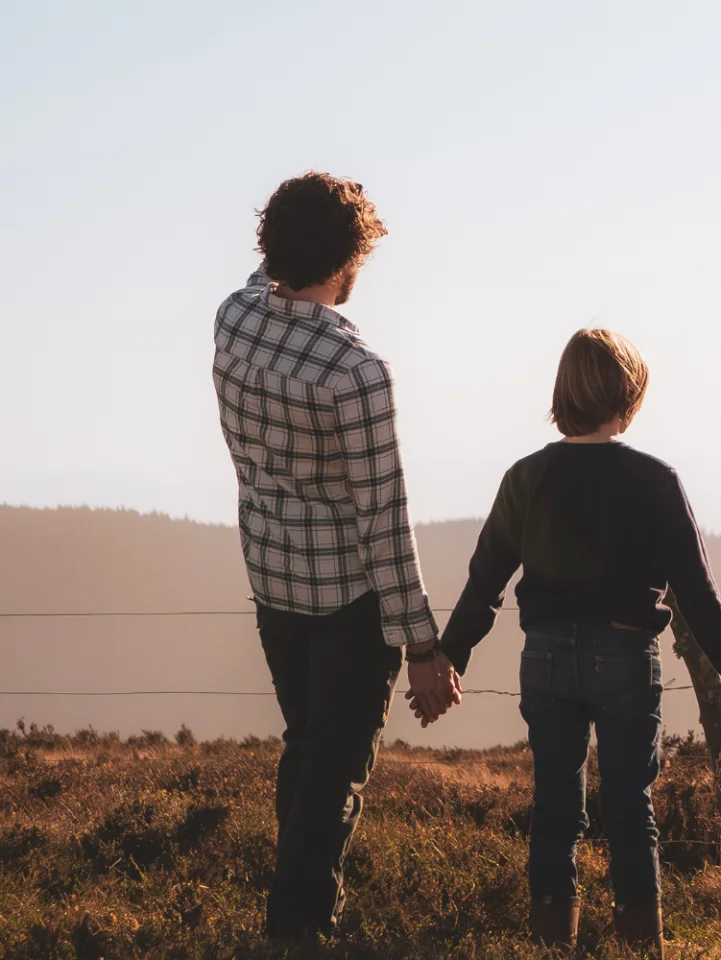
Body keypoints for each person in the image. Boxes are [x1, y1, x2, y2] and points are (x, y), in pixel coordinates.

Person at [434, 329, 721, 953]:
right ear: (629, 393)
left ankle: (551, 944)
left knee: (555, 807)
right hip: (623, 655)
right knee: (628, 808)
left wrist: (449, 658)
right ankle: (642, 947)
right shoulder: (653, 479)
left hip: (547, 658)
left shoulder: (525, 477)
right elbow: (697, 594)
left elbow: (484, 581)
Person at [211, 171, 461, 941]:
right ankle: (299, 930)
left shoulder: (234, 319)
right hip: (348, 599)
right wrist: (422, 643)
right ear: (350, 257)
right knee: (334, 773)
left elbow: (264, 285)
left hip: (272, 576)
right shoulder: (357, 374)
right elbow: (383, 520)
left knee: (307, 749)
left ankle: (294, 919)